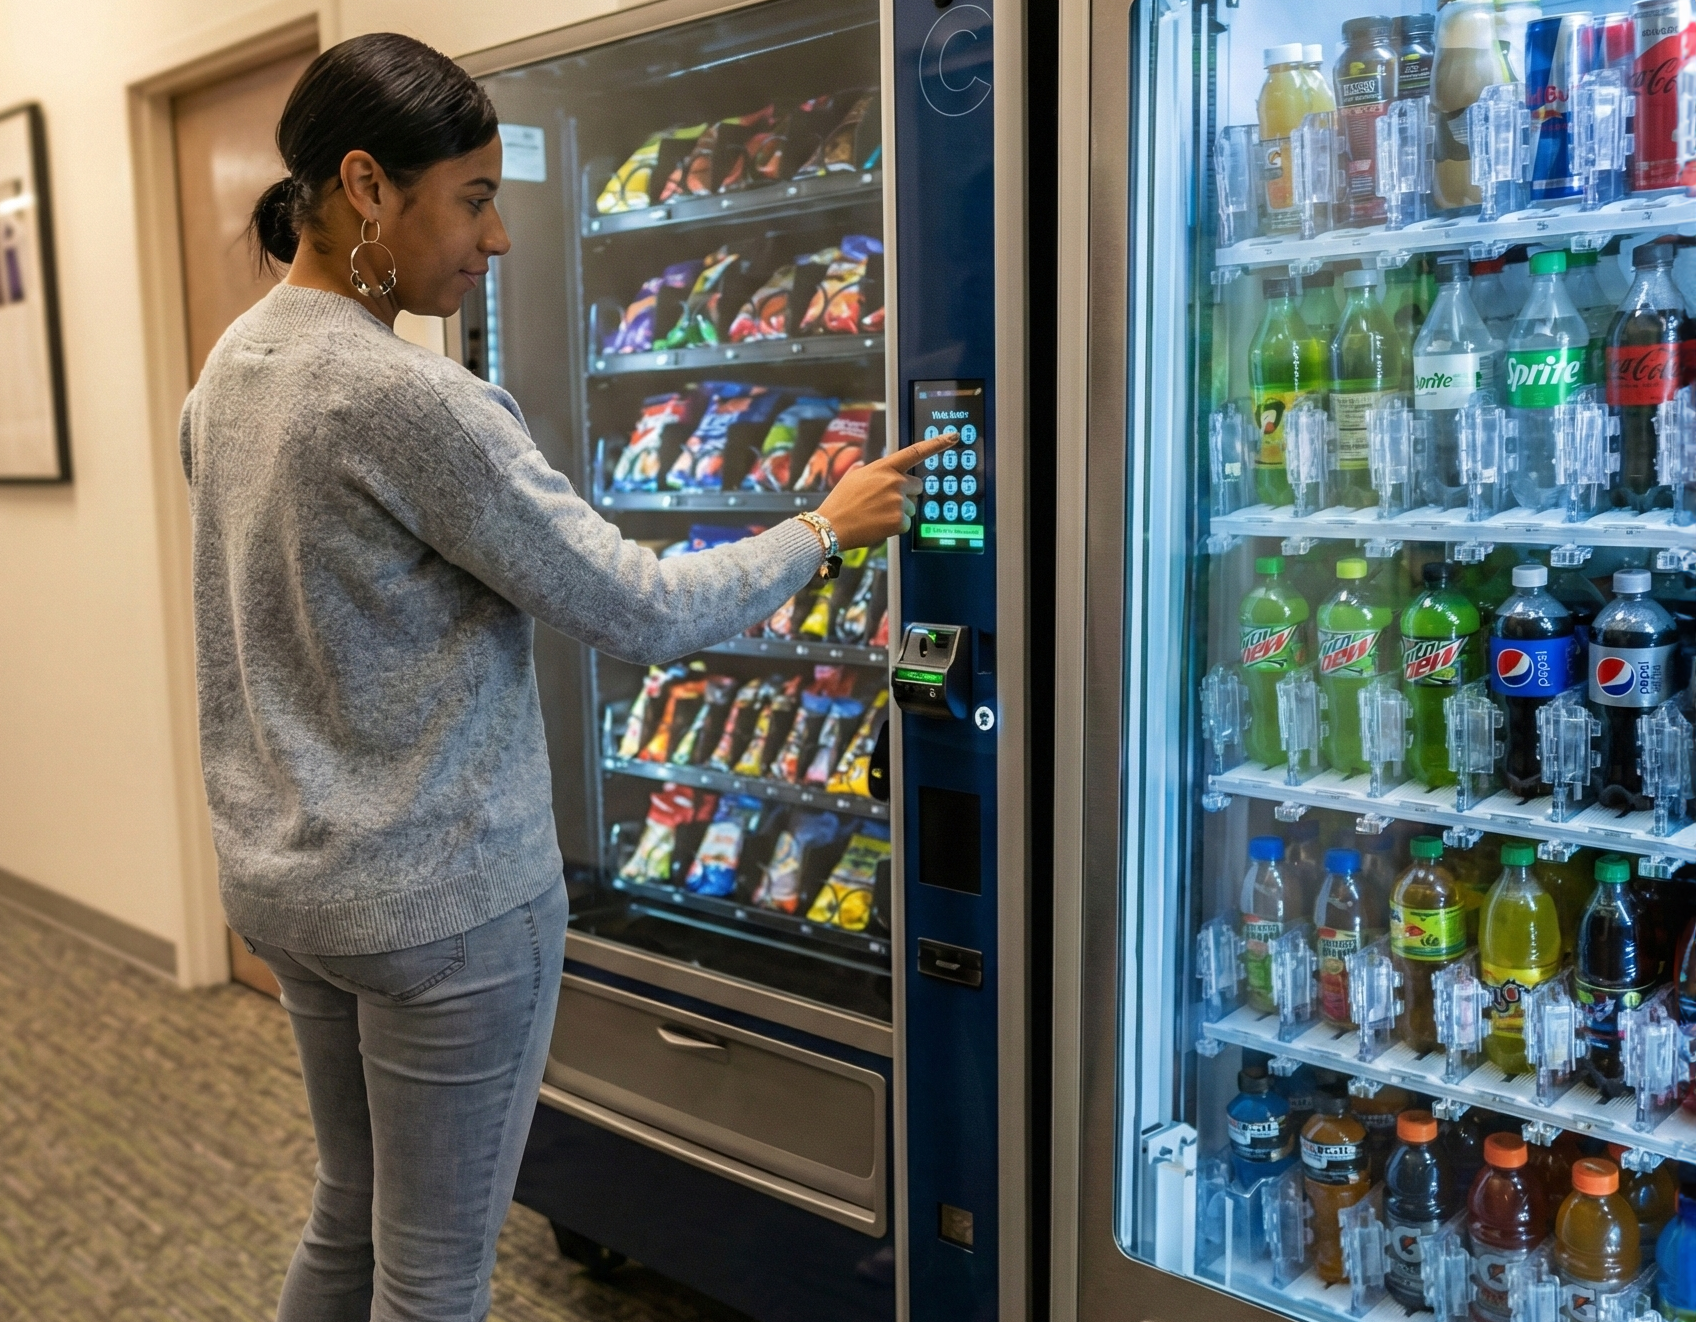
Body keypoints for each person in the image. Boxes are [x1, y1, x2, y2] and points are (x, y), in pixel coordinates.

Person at [178, 33, 943, 1322]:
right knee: (435, 1281)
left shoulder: (234, 370)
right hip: (443, 910)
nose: (501, 241)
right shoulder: (410, 402)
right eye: (473, 199)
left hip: (296, 889)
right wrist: (826, 527)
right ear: (367, 185)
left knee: (347, 1217)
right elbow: (635, 609)